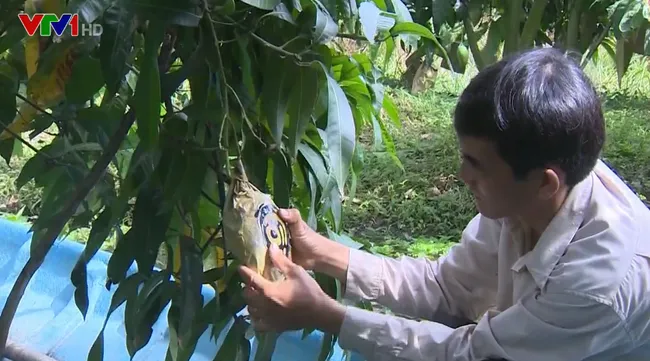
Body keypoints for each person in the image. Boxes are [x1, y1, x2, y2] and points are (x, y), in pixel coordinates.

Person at [237, 47, 650, 361]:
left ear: (545, 184)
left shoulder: (595, 285)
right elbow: (447, 288)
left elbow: (475, 353)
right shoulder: (527, 195)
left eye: (476, 164)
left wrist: (325, 314)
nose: (462, 175)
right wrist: (326, 254)